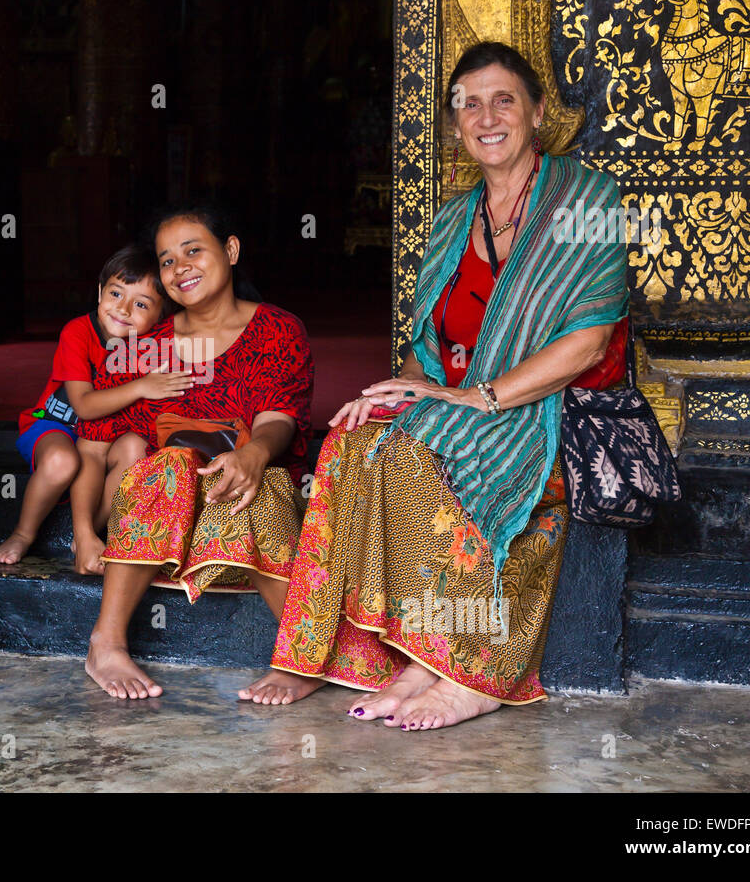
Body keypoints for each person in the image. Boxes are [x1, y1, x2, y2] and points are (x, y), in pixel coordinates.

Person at [240, 41, 630, 730]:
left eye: (503, 99)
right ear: (455, 126)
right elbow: (429, 355)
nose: (486, 116)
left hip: (550, 412)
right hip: (460, 409)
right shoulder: (454, 220)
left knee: (410, 454)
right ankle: (381, 656)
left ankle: (461, 671)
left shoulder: (586, 198)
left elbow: (589, 340)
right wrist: (404, 389)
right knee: (351, 443)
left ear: (537, 112)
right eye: (468, 104)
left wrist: (478, 397)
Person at [78, 204, 314, 698]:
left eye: (193, 251)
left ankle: (299, 658)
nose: (179, 267)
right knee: (168, 463)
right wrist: (83, 529)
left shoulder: (278, 330)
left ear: (229, 251)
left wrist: (253, 455)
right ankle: (106, 643)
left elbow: (278, 418)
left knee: (261, 478)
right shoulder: (146, 345)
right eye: (166, 260)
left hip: (246, 524)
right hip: (160, 537)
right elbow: (96, 435)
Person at [0, 246, 184, 566]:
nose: (122, 309)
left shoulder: (153, 347)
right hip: (55, 425)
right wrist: (142, 386)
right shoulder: (78, 332)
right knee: (62, 461)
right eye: (115, 293)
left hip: (105, 436)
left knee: (137, 448)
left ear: (161, 316)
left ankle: (88, 533)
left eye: (140, 304)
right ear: (99, 292)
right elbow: (82, 406)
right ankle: (23, 533)